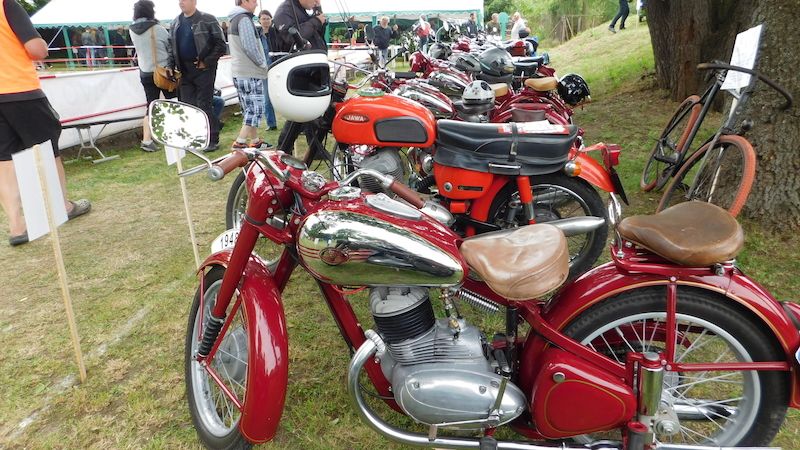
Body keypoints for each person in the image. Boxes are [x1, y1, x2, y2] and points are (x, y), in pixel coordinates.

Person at [0, 0, 91, 246]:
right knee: (47, 149)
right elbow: (36, 50)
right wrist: (41, 44)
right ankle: (62, 206)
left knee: (4, 160)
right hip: (20, 90)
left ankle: (17, 226)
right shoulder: (7, 5)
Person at [168, 0, 227, 152]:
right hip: (184, 69)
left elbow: (221, 45)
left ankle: (212, 139)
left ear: (194, 1)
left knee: (204, 104)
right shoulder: (175, 22)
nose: (181, 2)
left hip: (204, 69)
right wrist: (170, 66)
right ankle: (195, 138)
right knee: (188, 106)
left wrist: (206, 61)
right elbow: (171, 48)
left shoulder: (208, 19)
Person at [273, 0, 328, 155]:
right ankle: (283, 150)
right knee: (299, 112)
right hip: (298, 68)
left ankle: (314, 148)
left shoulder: (300, 10)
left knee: (310, 111)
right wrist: (315, 21)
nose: (317, 2)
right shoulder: (284, 11)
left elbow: (315, 34)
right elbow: (294, 37)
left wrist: (318, 17)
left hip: (311, 66)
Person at [129, 0, 177, 153]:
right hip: (163, 72)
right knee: (173, 102)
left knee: (151, 106)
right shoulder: (158, 29)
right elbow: (170, 48)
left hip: (145, 72)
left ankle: (147, 140)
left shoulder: (131, 30)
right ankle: (174, 135)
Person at [228, 0, 271, 151]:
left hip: (239, 71)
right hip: (249, 71)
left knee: (248, 109)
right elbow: (250, 47)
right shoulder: (244, 19)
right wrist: (262, 64)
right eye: (253, 1)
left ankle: (255, 141)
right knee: (255, 109)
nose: (256, 4)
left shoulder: (234, 19)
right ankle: (239, 142)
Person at [258, 10, 278, 130]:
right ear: (259, 20)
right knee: (267, 98)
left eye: (267, 18)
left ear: (271, 19)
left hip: (277, 66)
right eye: (263, 19)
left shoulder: (276, 33)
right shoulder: (257, 34)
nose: (265, 21)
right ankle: (271, 123)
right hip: (264, 69)